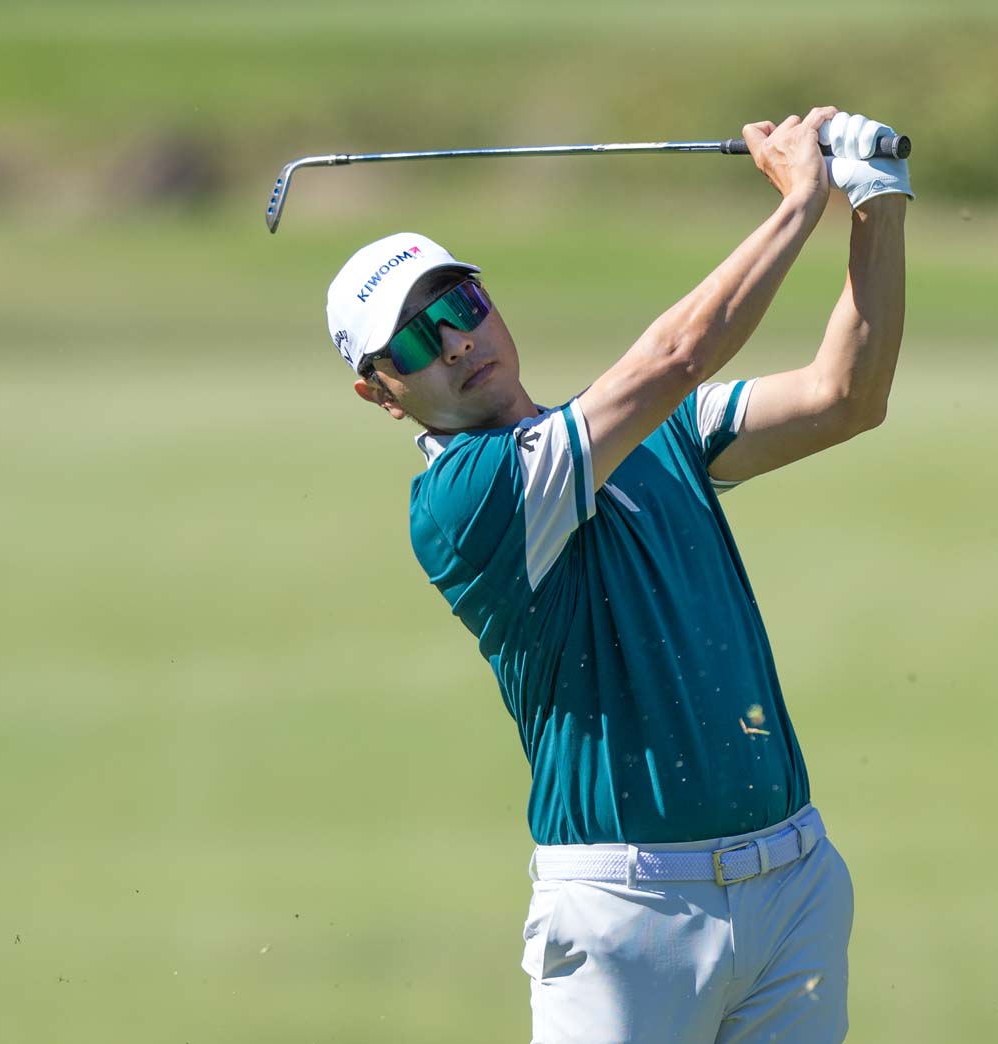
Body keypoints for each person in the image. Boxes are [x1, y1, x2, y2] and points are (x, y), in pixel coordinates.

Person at [321, 106, 909, 1044]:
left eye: (460, 308)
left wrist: (875, 202)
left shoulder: (655, 435)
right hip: (627, 915)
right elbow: (678, 354)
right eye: (415, 345)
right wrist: (804, 197)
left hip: (794, 885)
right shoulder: (466, 500)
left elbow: (847, 396)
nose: (457, 344)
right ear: (378, 394)